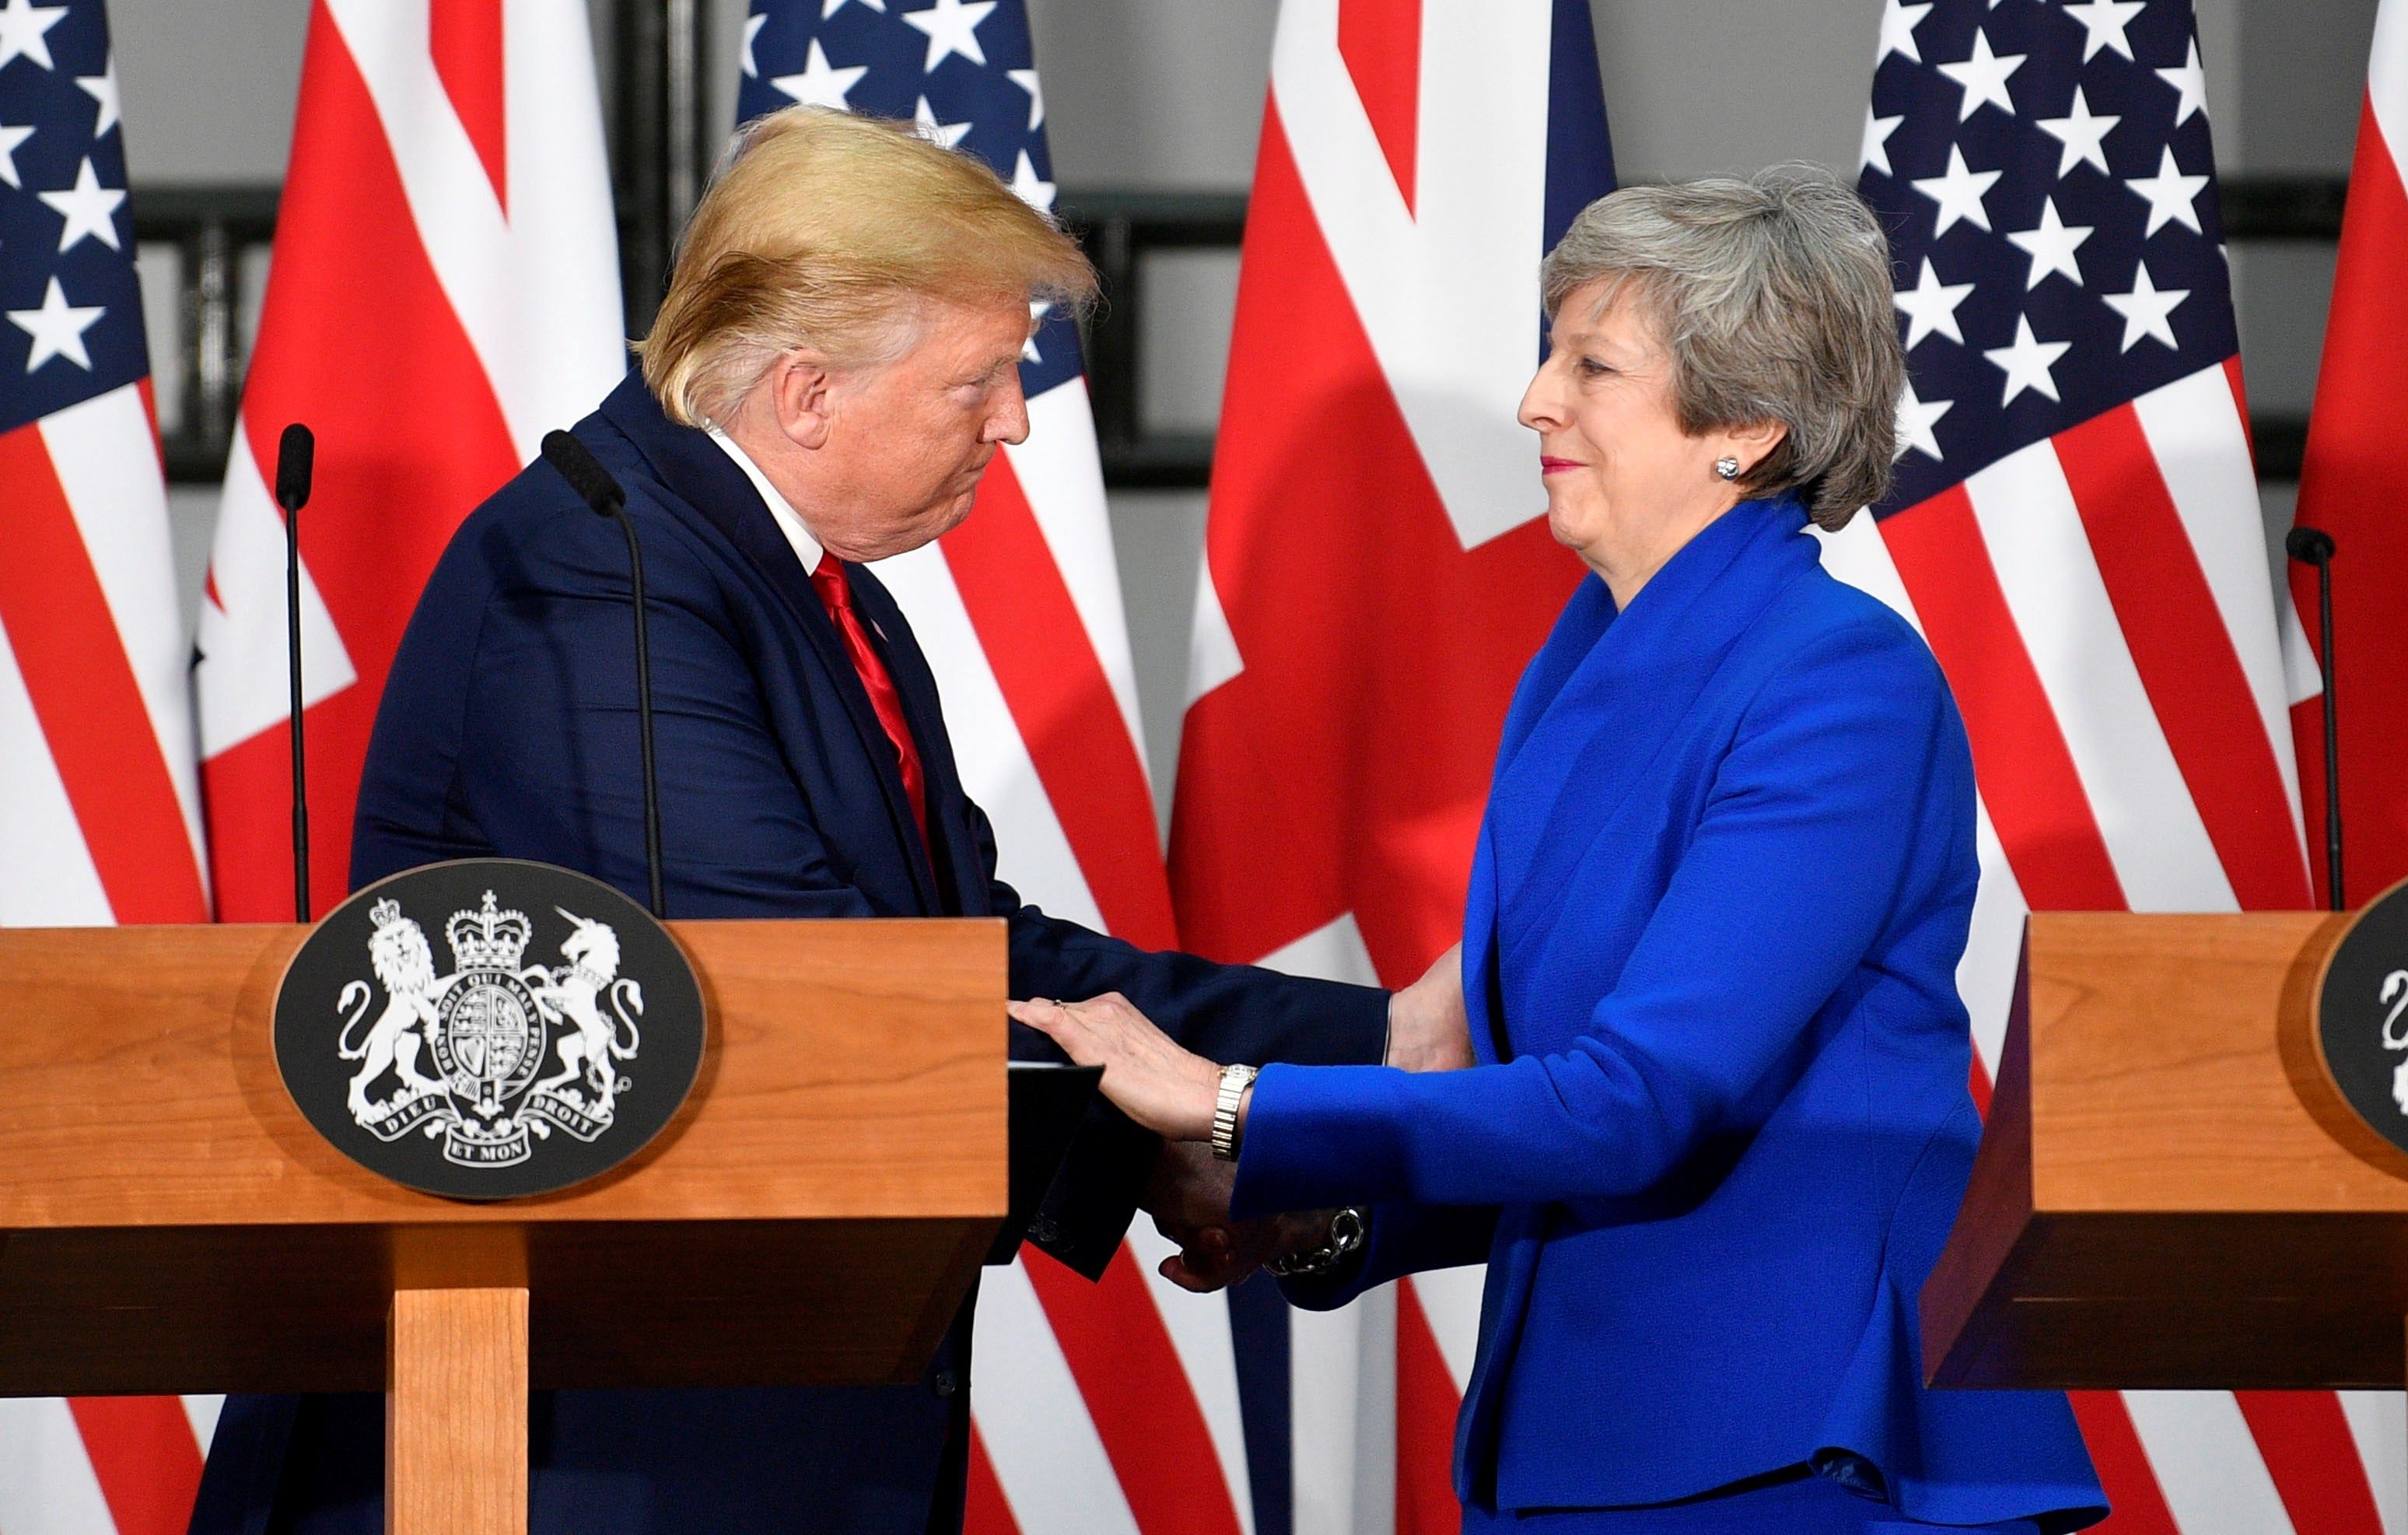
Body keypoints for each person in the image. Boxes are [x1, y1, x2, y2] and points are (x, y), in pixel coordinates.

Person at [187, 106, 1465, 1535]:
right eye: (979, 379)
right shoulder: (596, 582)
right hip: (575, 1456)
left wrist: (1377, 1044)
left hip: (747, 1434)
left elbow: (969, 947)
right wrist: (1188, 1146)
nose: (1015, 420)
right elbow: (806, 990)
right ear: (804, 394)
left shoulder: (802, 588)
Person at [1014, 168, 2111, 1533]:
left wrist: (1229, 1100)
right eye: (1552, 356)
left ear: (1747, 423)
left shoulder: (1838, 683)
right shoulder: (1589, 653)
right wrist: (1328, 1216)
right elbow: (1573, 1104)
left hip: (1794, 1434)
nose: (1536, 399)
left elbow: (1636, 1102)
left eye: (1592, 365)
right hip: (1593, 1421)